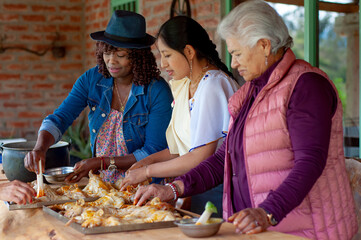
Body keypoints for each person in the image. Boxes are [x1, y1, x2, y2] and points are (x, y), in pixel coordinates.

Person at [132, 1, 358, 239]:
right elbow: (224, 158)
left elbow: (310, 162)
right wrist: (173, 188)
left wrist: (267, 212)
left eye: (237, 53)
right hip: (259, 229)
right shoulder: (249, 93)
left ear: (263, 45)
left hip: (305, 231)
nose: (234, 64)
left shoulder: (306, 86)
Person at [24, 10, 173, 184]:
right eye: (107, 53)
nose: (111, 61)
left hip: (144, 185)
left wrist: (101, 162)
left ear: (138, 57)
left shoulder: (157, 91)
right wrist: (40, 148)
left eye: (120, 55)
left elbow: (152, 151)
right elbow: (60, 118)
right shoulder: (91, 80)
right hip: (102, 184)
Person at [119, 16, 239, 215]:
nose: (163, 63)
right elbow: (182, 149)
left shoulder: (212, 85)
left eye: (167, 55)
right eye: (161, 55)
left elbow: (200, 157)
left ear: (189, 52)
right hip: (195, 184)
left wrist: (148, 171)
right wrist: (147, 161)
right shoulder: (187, 85)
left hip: (217, 187)